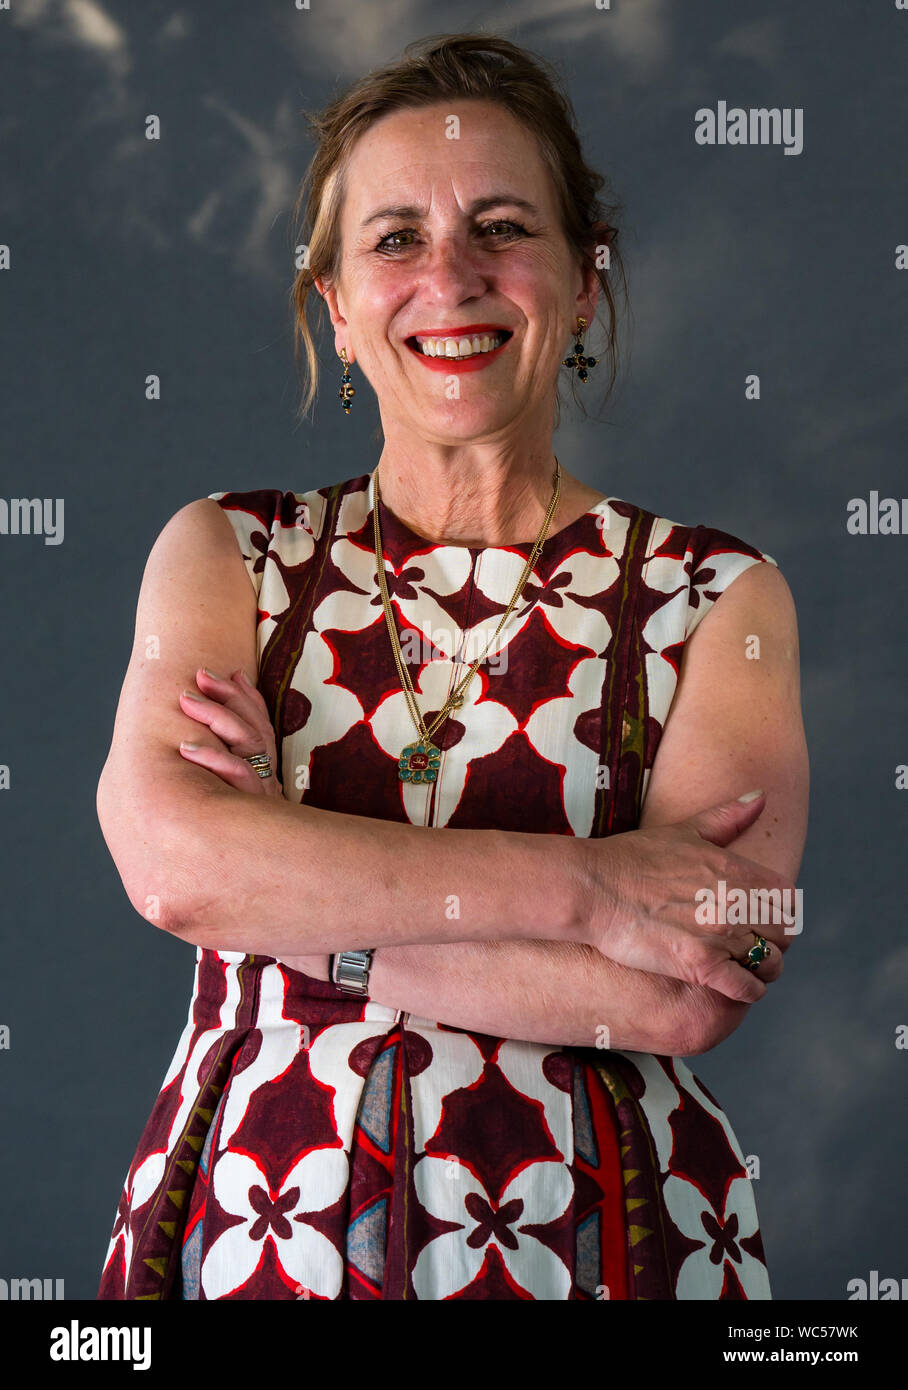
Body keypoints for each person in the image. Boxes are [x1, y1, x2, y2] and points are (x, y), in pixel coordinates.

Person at [96, 33, 808, 1301]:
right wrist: (591, 897)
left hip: (615, 1245)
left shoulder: (717, 596)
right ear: (335, 306)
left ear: (584, 278)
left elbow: (704, 976)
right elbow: (174, 863)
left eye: (500, 227)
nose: (451, 276)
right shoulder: (227, 553)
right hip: (265, 1237)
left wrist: (297, 901)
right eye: (393, 240)